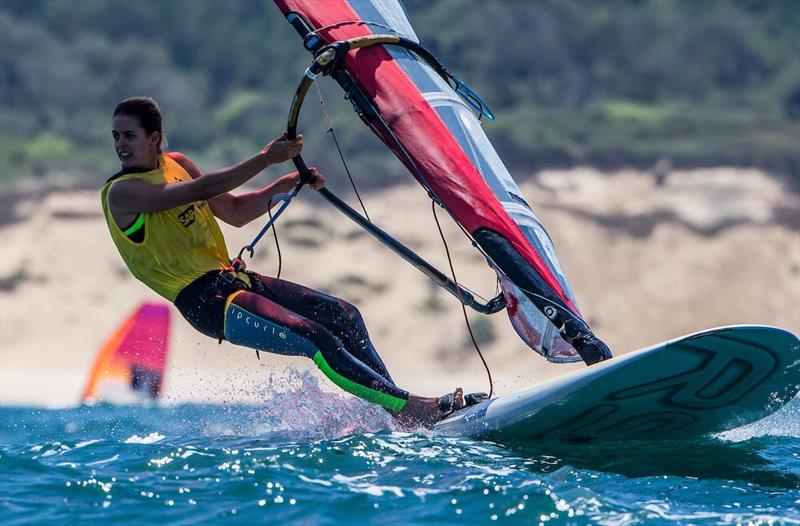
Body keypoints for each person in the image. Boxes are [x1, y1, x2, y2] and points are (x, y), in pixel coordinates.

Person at [101, 96, 479, 427]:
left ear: (154, 138)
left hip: (233, 280)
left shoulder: (177, 162)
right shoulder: (123, 193)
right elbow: (201, 190)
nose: (120, 144)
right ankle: (410, 408)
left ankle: (397, 409)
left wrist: (280, 186)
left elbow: (232, 210)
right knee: (316, 338)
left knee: (345, 316)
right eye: (116, 136)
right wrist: (265, 159)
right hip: (206, 302)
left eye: (128, 135)